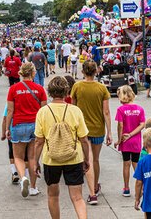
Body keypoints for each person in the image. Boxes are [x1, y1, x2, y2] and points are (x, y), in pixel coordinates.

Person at [34, 76, 91, 219]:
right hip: (74, 157)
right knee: (77, 197)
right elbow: (83, 139)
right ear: (67, 91)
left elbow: (39, 141)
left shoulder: (43, 112)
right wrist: (86, 158)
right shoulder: (75, 110)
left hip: (51, 159)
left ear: (50, 92)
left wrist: (35, 161)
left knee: (53, 195)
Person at [71, 60, 112, 206]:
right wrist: (109, 132)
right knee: (95, 159)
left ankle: (92, 194)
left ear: (83, 71)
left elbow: (72, 107)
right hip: (98, 129)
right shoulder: (102, 88)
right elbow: (106, 112)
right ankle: (94, 186)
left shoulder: (77, 86)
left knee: (86, 159)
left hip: (81, 129)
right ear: (96, 71)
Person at [6, 62, 47, 198]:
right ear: (33, 73)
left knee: (18, 157)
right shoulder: (40, 89)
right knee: (32, 158)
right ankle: (33, 188)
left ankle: (23, 177)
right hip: (35, 125)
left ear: (21, 73)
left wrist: (7, 128)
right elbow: (43, 111)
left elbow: (10, 111)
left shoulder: (13, 89)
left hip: (18, 124)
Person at [115, 85, 146, 198]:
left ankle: (126, 188)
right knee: (136, 163)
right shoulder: (139, 109)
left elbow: (120, 125)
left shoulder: (121, 109)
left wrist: (119, 139)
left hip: (125, 141)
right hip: (136, 140)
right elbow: (142, 124)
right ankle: (142, 186)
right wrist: (132, 134)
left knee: (126, 164)